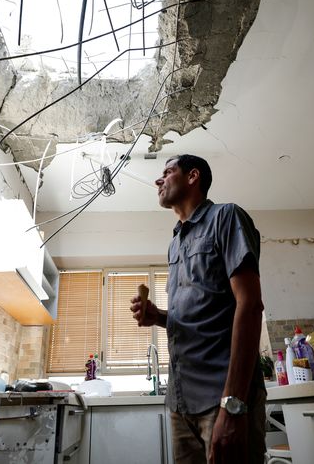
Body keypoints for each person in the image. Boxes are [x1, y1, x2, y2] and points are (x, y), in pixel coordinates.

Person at [129, 154, 266, 464]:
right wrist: (159, 317)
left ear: (193, 177)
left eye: (167, 171)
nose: (158, 180)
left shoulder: (226, 217)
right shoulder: (174, 243)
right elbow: (204, 312)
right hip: (181, 402)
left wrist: (232, 405)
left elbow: (250, 304)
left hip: (223, 396)